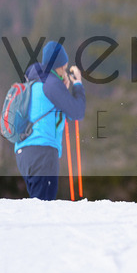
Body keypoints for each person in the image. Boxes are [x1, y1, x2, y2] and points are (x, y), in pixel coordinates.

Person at [14, 41, 86, 200]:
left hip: (24, 153)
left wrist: (64, 90)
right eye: (64, 67)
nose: (65, 71)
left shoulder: (34, 83)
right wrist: (78, 84)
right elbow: (77, 112)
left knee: (39, 202)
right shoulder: (51, 83)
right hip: (42, 151)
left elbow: (56, 112)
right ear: (58, 66)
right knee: (43, 207)